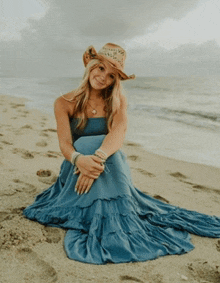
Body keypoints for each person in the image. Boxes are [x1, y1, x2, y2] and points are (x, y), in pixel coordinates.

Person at [23, 43, 220, 265]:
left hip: (107, 163)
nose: (103, 77)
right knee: (86, 143)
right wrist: (82, 160)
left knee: (104, 146)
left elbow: (119, 132)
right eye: (100, 68)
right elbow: (65, 144)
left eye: (111, 75)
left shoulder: (117, 100)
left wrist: (95, 160)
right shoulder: (63, 103)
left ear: (115, 81)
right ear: (90, 66)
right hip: (77, 166)